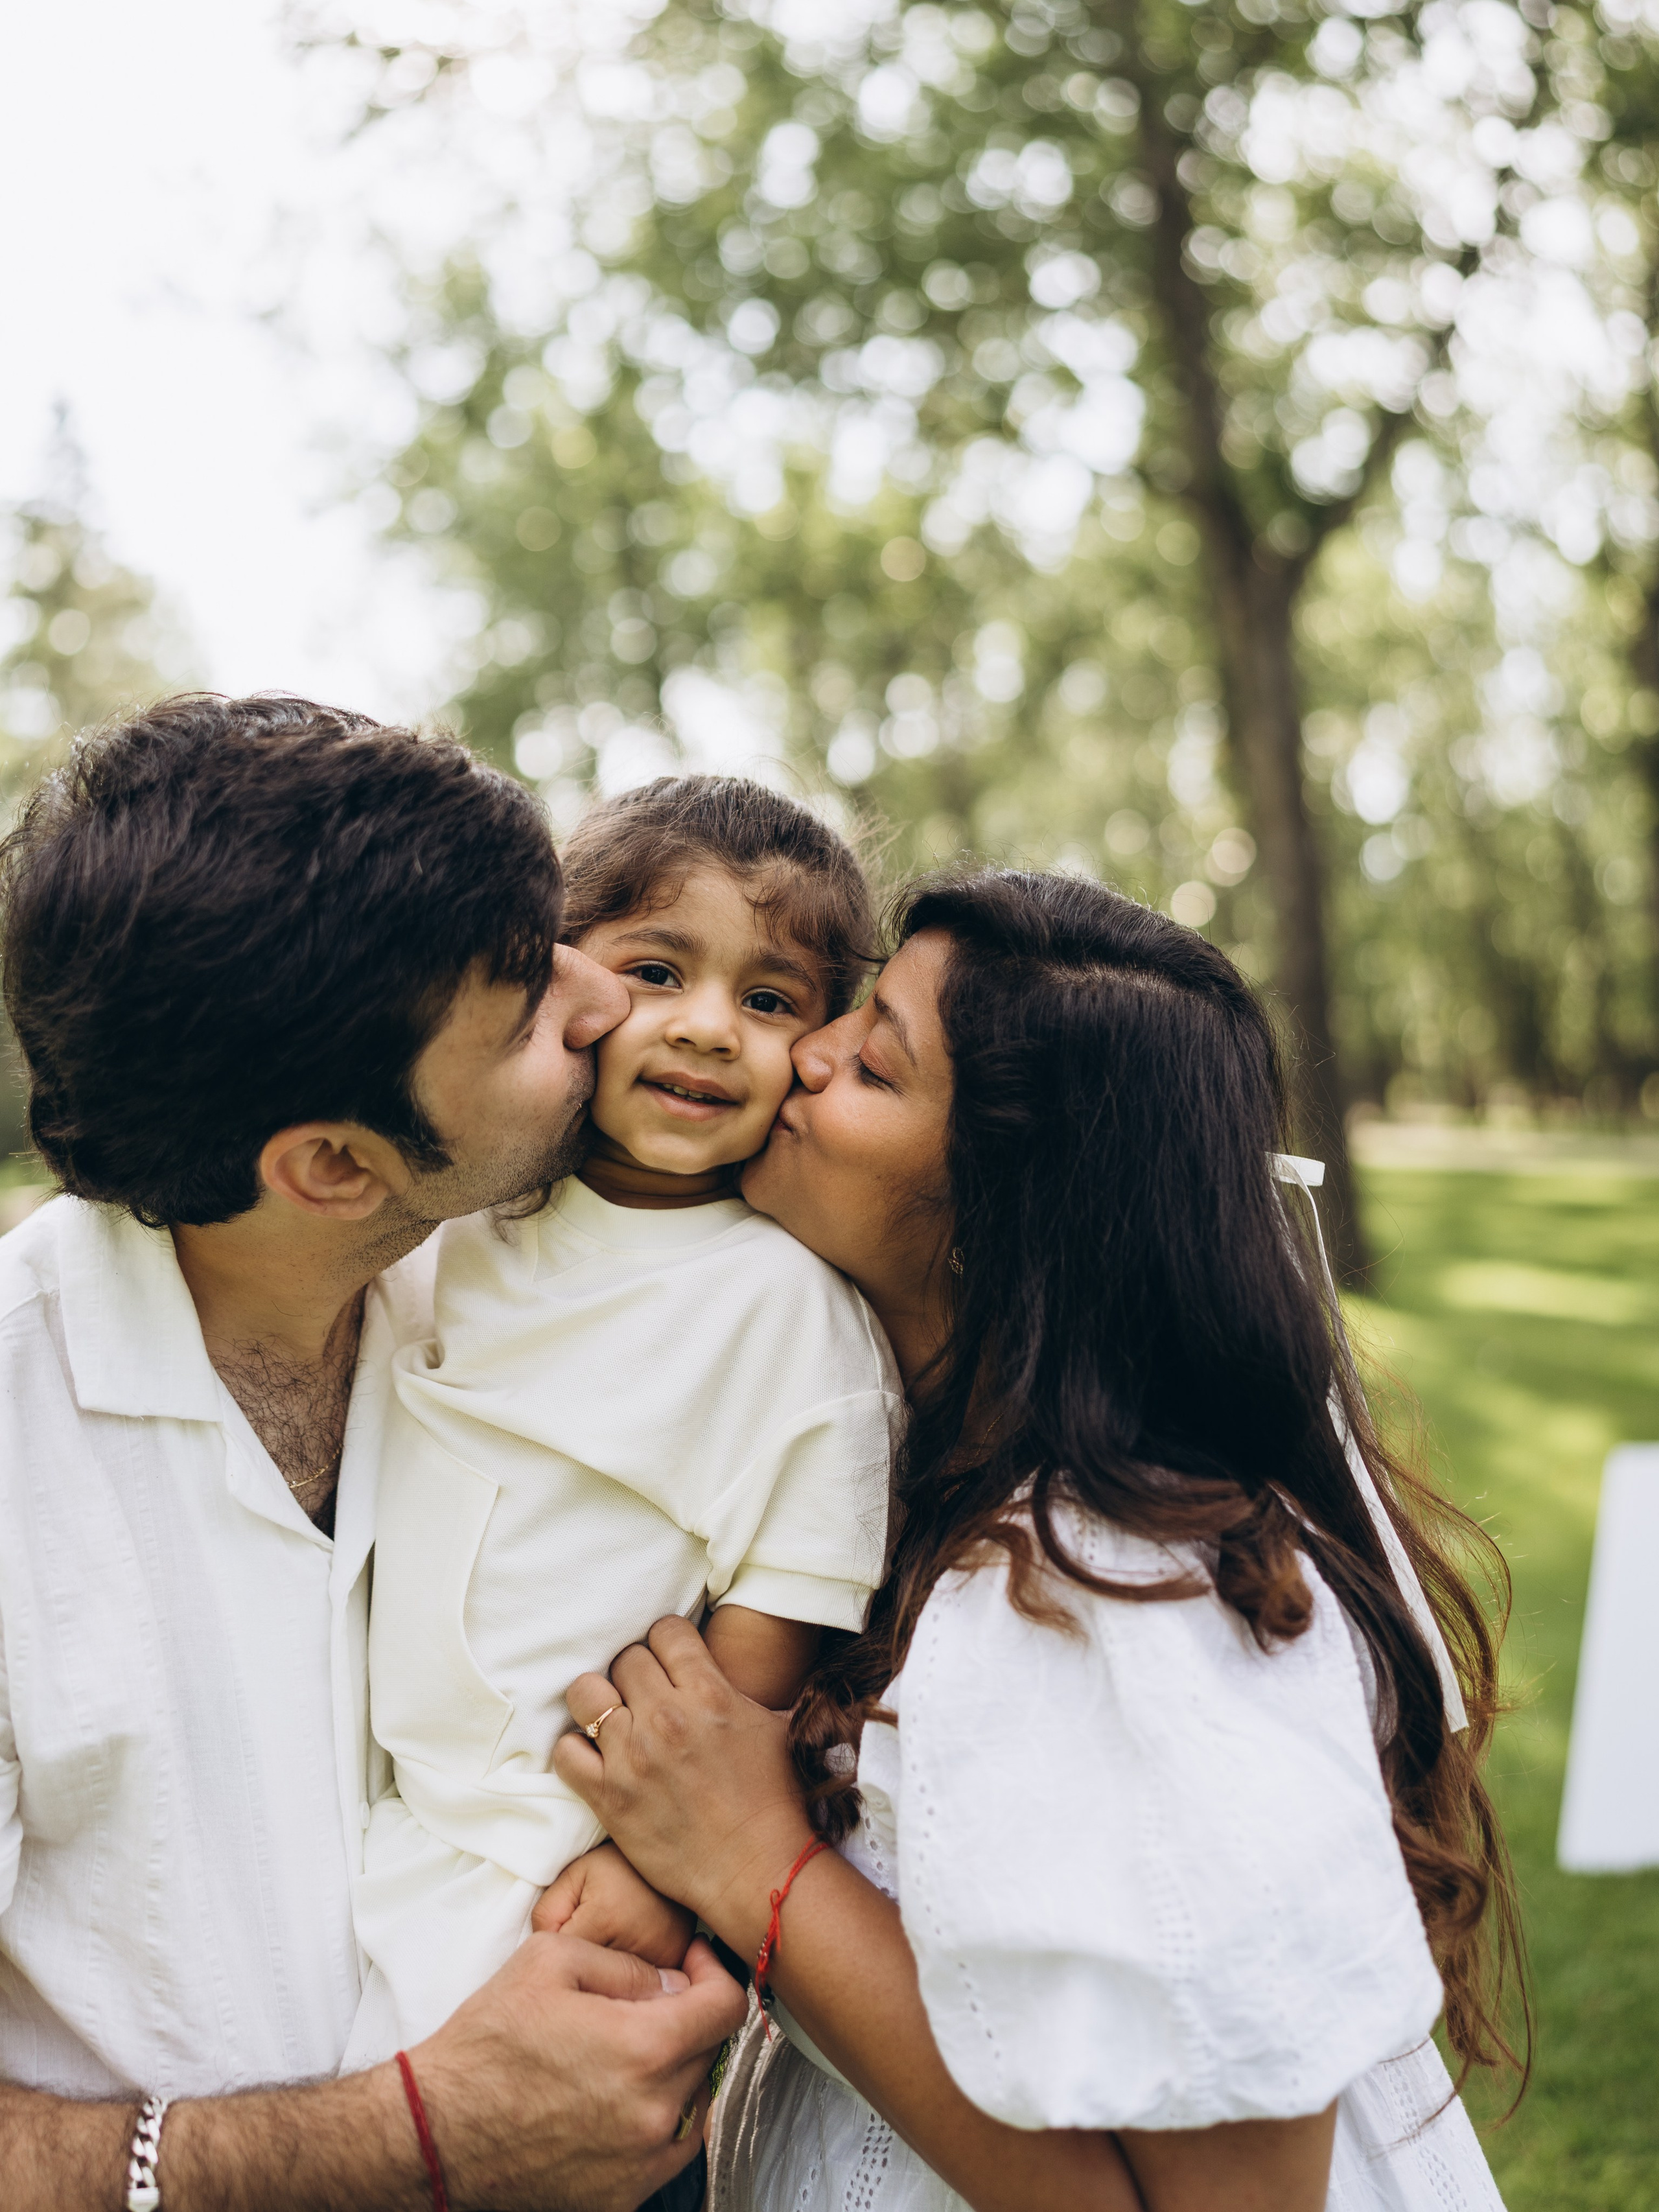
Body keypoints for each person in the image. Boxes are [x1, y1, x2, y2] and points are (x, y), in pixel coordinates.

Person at [553, 870, 1526, 2211]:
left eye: (874, 1064)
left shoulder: (1138, 1595)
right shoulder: (901, 1445)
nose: (808, 1050)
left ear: (1007, 1220)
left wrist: (748, 1860)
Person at [0, 695, 744, 2211]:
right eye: (529, 1011)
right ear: (334, 1167)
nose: (600, 996)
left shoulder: (535, 1297)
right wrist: (412, 2139)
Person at [347, 776, 903, 2062]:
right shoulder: (457, 1226)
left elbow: (786, 1606)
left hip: (569, 1871)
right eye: (657, 971)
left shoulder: (783, 1303)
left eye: (768, 1001)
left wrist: (654, 1865)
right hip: (384, 1829)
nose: (708, 1029)